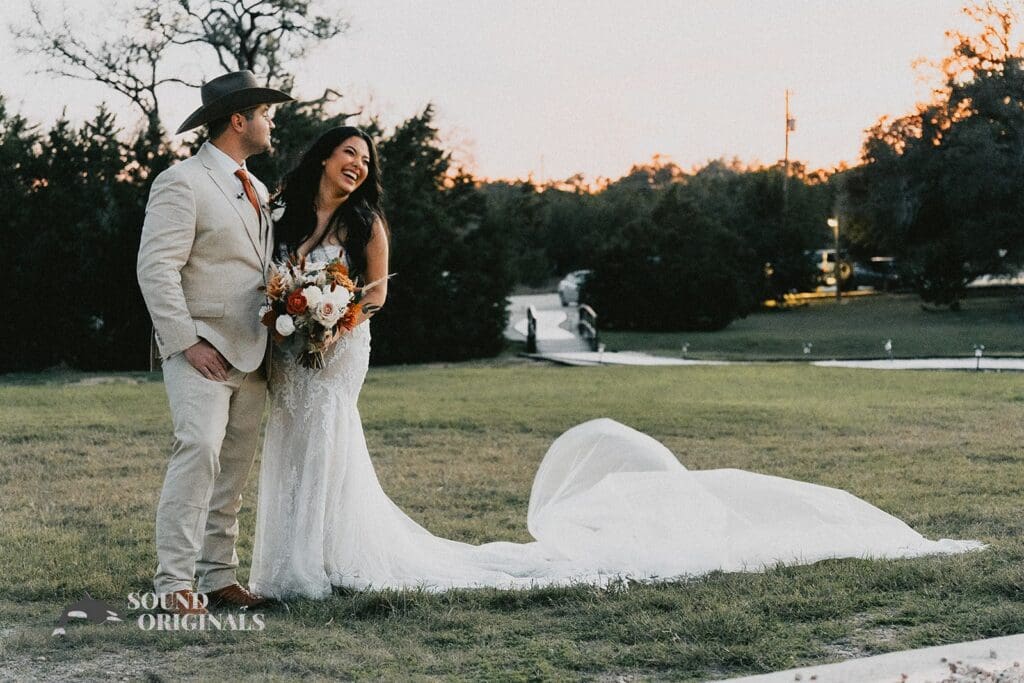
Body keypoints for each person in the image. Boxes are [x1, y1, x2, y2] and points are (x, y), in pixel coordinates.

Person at [249, 129, 982, 599]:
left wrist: (334, 319)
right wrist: (291, 310)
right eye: (349, 154)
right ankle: (291, 562)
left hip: (342, 347)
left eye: (367, 160)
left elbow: (376, 295)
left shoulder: (365, 223)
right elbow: (268, 272)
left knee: (331, 443)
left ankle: (326, 564)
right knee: (292, 446)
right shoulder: (284, 212)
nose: (358, 165)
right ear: (323, 155)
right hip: (292, 350)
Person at [137, 70, 292, 614]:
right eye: (266, 114)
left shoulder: (256, 188)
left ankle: (219, 576)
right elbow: (156, 269)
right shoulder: (181, 181)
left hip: (254, 351)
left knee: (234, 466)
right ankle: (172, 583)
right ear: (238, 119)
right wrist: (184, 342)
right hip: (201, 351)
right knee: (198, 451)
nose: (272, 122)